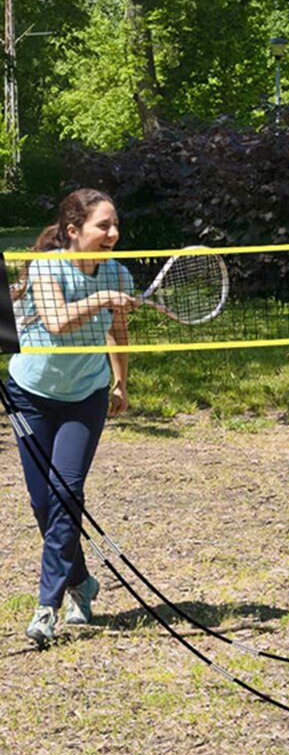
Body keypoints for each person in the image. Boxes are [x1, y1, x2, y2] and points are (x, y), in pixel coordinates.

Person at [7, 189, 137, 647]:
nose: (113, 233)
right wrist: (103, 297)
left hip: (85, 396)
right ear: (73, 231)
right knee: (44, 504)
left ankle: (49, 603)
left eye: (115, 224)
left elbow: (117, 331)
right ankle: (82, 580)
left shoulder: (118, 272)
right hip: (30, 395)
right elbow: (58, 320)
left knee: (67, 491)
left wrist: (120, 381)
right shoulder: (47, 267)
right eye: (103, 225)